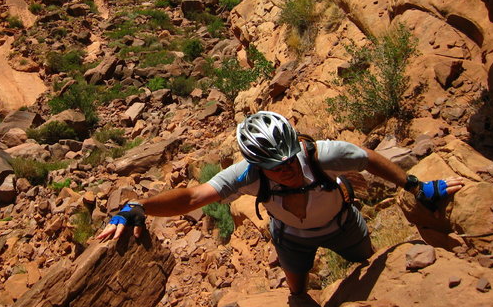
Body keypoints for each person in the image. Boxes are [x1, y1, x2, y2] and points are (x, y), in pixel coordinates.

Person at [96, 111, 464, 294]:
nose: (288, 170)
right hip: (291, 237)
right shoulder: (248, 175)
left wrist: (415, 186)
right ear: (259, 164)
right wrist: (140, 208)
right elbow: (193, 196)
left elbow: (366, 158)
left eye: (290, 160)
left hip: (343, 224)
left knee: (368, 265)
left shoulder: (320, 154)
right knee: (297, 289)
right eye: (277, 166)